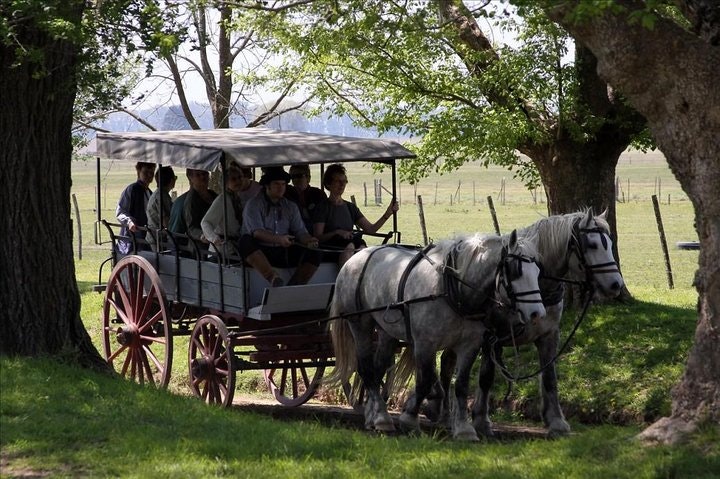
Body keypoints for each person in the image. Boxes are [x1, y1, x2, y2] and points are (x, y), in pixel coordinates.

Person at [239, 166, 321, 287]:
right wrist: (279, 239)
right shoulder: (253, 204)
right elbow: (257, 232)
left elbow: (300, 231)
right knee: (244, 241)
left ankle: (294, 287)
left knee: (316, 252)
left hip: (283, 251)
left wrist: (309, 240)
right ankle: (272, 277)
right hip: (261, 251)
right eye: (277, 184)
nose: (281, 188)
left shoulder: (290, 206)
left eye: (283, 184)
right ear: (267, 186)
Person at [313, 163, 399, 266]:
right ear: (328, 184)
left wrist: (387, 214)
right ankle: (346, 280)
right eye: (338, 181)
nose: (342, 185)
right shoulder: (322, 207)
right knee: (350, 246)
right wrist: (337, 232)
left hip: (351, 244)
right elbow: (318, 237)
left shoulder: (350, 207)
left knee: (362, 248)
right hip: (331, 248)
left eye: (344, 181)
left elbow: (370, 229)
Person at [201, 163, 245, 257]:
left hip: (235, 248)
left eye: (240, 177)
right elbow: (205, 222)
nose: (238, 181)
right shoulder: (222, 200)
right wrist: (214, 238)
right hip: (221, 252)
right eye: (233, 179)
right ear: (226, 182)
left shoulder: (239, 198)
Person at [168, 168, 218, 244]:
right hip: (197, 246)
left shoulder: (214, 195)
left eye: (205, 173)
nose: (202, 177)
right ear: (190, 178)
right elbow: (191, 228)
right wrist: (203, 235)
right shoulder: (189, 201)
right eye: (198, 175)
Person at [116, 161, 156, 254]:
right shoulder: (132, 189)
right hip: (132, 237)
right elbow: (121, 211)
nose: (149, 175)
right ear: (138, 171)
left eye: (152, 173)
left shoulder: (150, 193)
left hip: (146, 236)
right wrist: (129, 221)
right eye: (146, 172)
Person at [284, 164, 327, 231]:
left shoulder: (318, 194)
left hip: (314, 231)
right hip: (293, 232)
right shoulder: (287, 193)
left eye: (299, 176)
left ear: (308, 178)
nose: (295, 179)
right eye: (292, 177)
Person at [145, 166, 176, 250]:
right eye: (175, 178)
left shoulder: (161, 194)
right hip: (158, 239)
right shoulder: (161, 196)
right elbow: (166, 222)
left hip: (157, 237)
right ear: (171, 180)